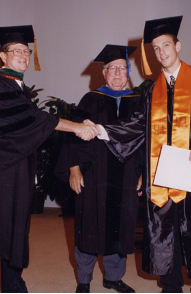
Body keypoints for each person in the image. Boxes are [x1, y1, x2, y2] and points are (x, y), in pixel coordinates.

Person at [96, 16, 191, 293]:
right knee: (169, 234)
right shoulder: (151, 90)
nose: (162, 52)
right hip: (163, 177)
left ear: (178, 45)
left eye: (166, 45)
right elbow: (138, 127)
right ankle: (171, 287)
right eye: (156, 48)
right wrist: (102, 131)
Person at [0, 25, 100, 293]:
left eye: (26, 51)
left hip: (15, 168)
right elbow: (32, 120)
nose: (23, 56)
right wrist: (75, 127)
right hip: (1, 170)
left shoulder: (17, 85)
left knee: (14, 226)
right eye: (16, 51)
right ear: (2, 56)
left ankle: (13, 283)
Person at [56, 45, 141, 294]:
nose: (117, 73)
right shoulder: (90, 99)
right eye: (112, 68)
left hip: (126, 175)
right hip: (93, 175)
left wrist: (143, 174)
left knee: (121, 226)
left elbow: (146, 140)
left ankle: (113, 277)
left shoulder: (137, 102)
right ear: (103, 73)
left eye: (122, 68)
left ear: (128, 73)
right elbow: (72, 134)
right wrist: (73, 169)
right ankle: (84, 279)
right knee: (89, 225)